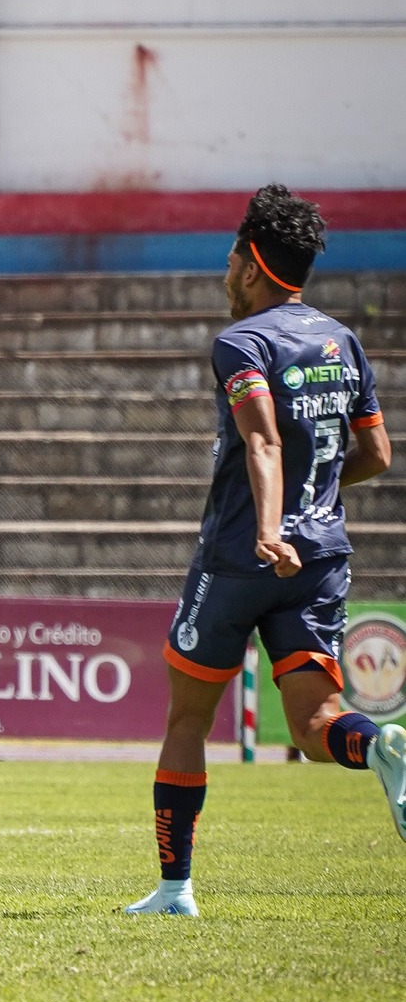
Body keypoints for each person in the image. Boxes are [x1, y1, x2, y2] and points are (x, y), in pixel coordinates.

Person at [128, 185, 404, 915]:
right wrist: (313, 499)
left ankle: (174, 889)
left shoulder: (241, 343)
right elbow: (376, 451)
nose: (224, 273)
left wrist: (268, 527)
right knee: (319, 727)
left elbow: (262, 439)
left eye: (228, 258)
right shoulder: (340, 340)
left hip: (242, 559)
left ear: (252, 264)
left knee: (187, 719)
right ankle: (379, 748)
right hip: (322, 559)